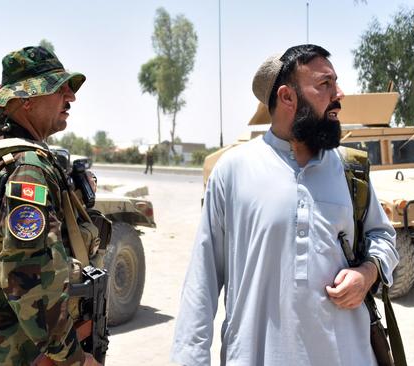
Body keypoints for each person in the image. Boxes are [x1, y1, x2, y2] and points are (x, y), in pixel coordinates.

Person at [171, 44, 399, 365]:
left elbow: (384, 237)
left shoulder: (349, 169)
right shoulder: (233, 170)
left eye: (336, 82)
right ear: (288, 97)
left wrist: (367, 272)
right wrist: (189, 359)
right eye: (325, 84)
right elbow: (202, 279)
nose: (340, 94)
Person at [0, 46, 101, 366]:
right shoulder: (27, 166)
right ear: (27, 100)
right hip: (15, 346)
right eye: (58, 89)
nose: (70, 98)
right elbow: (29, 274)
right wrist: (72, 357)